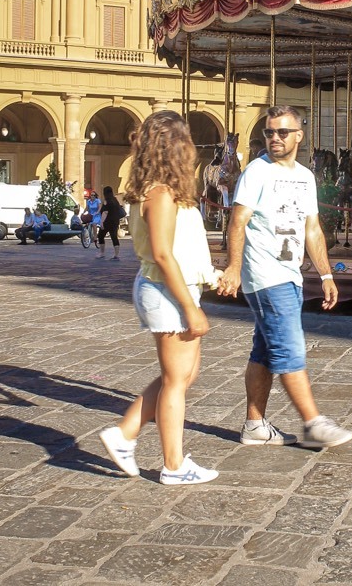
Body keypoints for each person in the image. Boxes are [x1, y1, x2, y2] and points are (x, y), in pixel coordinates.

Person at [218, 105, 352, 449]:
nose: (275, 138)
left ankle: (255, 425)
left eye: (282, 132)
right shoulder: (256, 172)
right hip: (265, 274)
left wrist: (326, 273)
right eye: (269, 132)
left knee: (264, 351)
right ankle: (313, 423)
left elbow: (312, 229)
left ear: (299, 136)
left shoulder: (306, 177)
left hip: (290, 274)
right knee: (289, 347)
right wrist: (233, 267)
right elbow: (238, 222)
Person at [99, 111, 222, 486]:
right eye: (187, 141)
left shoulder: (160, 191)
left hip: (170, 288)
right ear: (174, 147)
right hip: (167, 292)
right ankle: (173, 464)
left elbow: (180, 250)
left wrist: (209, 277)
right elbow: (163, 255)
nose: (192, 149)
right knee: (176, 381)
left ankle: (125, 434)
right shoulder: (161, 194)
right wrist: (191, 308)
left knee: (181, 375)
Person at [97, 186, 123, 260]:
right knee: (114, 237)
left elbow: (105, 212)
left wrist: (101, 222)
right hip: (115, 221)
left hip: (107, 221)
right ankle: (116, 254)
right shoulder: (115, 200)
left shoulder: (106, 201)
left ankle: (102, 253)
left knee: (100, 236)